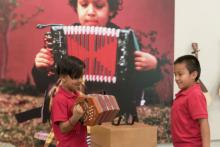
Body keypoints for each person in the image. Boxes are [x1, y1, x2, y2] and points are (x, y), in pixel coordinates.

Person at [32, 0, 161, 118]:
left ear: (111, 9)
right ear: (76, 7)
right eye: (83, 5)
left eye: (99, 6)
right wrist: (41, 68)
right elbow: (44, 85)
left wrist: (153, 67)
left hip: (115, 114)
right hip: (73, 116)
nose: (90, 12)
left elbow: (137, 83)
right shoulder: (62, 38)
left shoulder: (124, 40)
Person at [171, 55, 210, 147]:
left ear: (193, 75)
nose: (176, 78)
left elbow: (203, 123)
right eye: (175, 74)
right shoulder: (183, 94)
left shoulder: (195, 95)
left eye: (180, 74)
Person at [50, 55, 87, 147]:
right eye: (76, 77)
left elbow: (84, 121)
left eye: (81, 77)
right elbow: (63, 129)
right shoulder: (59, 99)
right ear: (63, 78)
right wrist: (75, 117)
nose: (80, 80)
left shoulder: (79, 96)